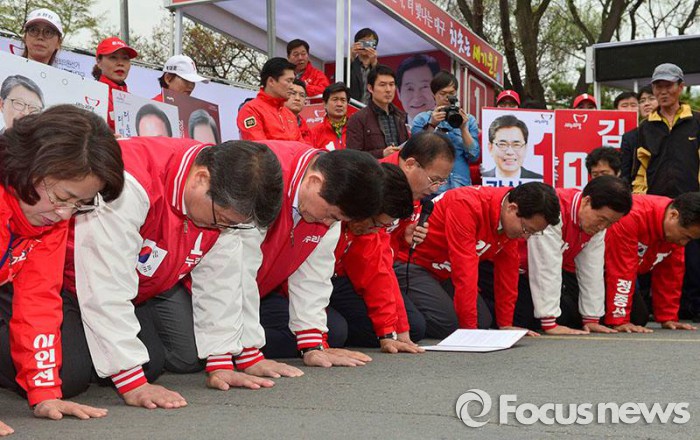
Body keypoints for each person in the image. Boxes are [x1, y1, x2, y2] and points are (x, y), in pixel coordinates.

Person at [67, 138, 292, 410]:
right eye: (222, 219)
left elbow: (221, 280)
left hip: (140, 288)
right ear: (201, 179)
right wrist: (132, 383)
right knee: (70, 376)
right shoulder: (129, 185)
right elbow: (104, 285)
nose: (222, 228)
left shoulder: (218, 198)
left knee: (155, 363)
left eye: (232, 225)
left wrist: (221, 361)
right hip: (64, 283)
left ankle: (92, 345)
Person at [0, 105, 124, 432]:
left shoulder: (48, 221)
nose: (65, 214)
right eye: (61, 197)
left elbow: (38, 301)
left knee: (70, 375)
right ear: (30, 168)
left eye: (78, 204)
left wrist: (44, 392)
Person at [238, 144, 386, 367]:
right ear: (315, 181)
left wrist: (311, 345)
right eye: (330, 215)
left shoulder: (328, 203)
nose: (328, 223)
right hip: (201, 283)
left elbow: (314, 274)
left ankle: (231, 343)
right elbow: (235, 267)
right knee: (191, 354)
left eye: (337, 219)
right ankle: (229, 346)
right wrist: (248, 353)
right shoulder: (259, 175)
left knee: (332, 332)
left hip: (259, 288)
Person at [394, 182, 560, 338]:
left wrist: (505, 324)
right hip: (413, 265)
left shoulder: (508, 217)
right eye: (526, 229)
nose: (525, 236)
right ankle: (398, 306)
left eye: (532, 233)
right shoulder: (466, 205)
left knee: (482, 322)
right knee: (449, 324)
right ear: (512, 208)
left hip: (445, 273)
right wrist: (470, 334)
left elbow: (508, 272)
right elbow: (464, 270)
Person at [329, 163, 425, 353]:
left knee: (411, 328)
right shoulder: (326, 214)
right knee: (335, 332)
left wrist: (389, 333)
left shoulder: (370, 227)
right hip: (294, 286)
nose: (375, 230)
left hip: (337, 280)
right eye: (376, 223)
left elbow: (379, 274)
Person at [632, 63, 700, 324]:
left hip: (693, 204)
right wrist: (639, 199)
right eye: (658, 86)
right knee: (651, 260)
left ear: (680, 87)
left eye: (668, 86)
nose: (663, 91)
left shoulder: (696, 121)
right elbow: (640, 168)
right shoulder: (645, 127)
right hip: (657, 209)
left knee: (692, 261)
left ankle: (692, 308)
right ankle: (651, 308)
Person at [523, 176, 632, 334]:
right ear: (587, 201)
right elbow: (546, 267)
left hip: (537, 273)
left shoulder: (596, 226)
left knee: (570, 315)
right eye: (601, 219)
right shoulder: (554, 209)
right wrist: (550, 322)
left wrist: (592, 318)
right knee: (532, 317)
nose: (602, 227)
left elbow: (592, 270)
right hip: (513, 271)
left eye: (610, 223)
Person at [603, 192, 700, 332]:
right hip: (585, 270)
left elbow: (671, 274)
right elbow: (622, 270)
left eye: (690, 239)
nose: (684, 243)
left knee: (638, 317)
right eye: (685, 236)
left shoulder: (675, 231)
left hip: (614, 272)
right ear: (673, 215)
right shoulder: (632, 215)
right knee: (575, 315)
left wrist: (668, 317)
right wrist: (619, 320)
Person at [411, 70, 480, 190]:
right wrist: (432, 125)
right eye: (442, 93)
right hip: (432, 189)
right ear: (434, 95)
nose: (447, 98)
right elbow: (416, 152)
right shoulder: (421, 119)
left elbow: (474, 156)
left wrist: (463, 129)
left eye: (451, 93)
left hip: (461, 186)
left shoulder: (468, 120)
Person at [346, 65, 408, 158]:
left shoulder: (400, 116)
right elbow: (353, 156)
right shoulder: (358, 119)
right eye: (382, 85)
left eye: (391, 84)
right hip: (374, 167)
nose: (388, 90)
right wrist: (382, 154)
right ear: (370, 88)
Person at [237, 57, 301, 142]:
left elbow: (302, 146)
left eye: (293, 82)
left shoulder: (289, 114)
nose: (292, 87)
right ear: (271, 81)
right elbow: (258, 147)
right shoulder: (251, 110)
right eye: (289, 81)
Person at [92, 37, 138, 131]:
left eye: (125, 58)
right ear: (99, 62)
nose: (120, 63)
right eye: (113, 57)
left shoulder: (134, 101)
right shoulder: (91, 96)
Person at [482, 114, 543, 181]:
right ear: (490, 148)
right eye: (502, 144)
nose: (510, 152)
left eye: (516, 145)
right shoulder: (482, 179)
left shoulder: (538, 180)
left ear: (525, 148)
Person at [620, 85, 656, 183]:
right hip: (639, 188)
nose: (646, 104)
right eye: (642, 101)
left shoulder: (673, 130)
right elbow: (626, 173)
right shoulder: (630, 137)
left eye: (651, 99)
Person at [396, 54, 440, 124]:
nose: (416, 97)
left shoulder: (449, 125)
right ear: (398, 93)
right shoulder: (393, 127)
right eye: (410, 89)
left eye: (424, 86)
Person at [311, 82, 350, 151]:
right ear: (325, 104)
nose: (339, 104)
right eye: (335, 99)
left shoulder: (356, 129)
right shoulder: (314, 133)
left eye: (343, 100)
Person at [349, 28, 379, 105]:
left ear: (374, 45)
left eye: (369, 43)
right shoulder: (349, 64)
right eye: (363, 42)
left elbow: (381, 86)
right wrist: (351, 57)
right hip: (352, 107)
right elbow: (338, 80)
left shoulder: (378, 68)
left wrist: (375, 64)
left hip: (371, 109)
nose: (365, 45)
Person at [284, 79, 312, 143]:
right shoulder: (275, 121)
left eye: (302, 95)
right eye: (293, 93)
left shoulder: (307, 130)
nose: (297, 98)